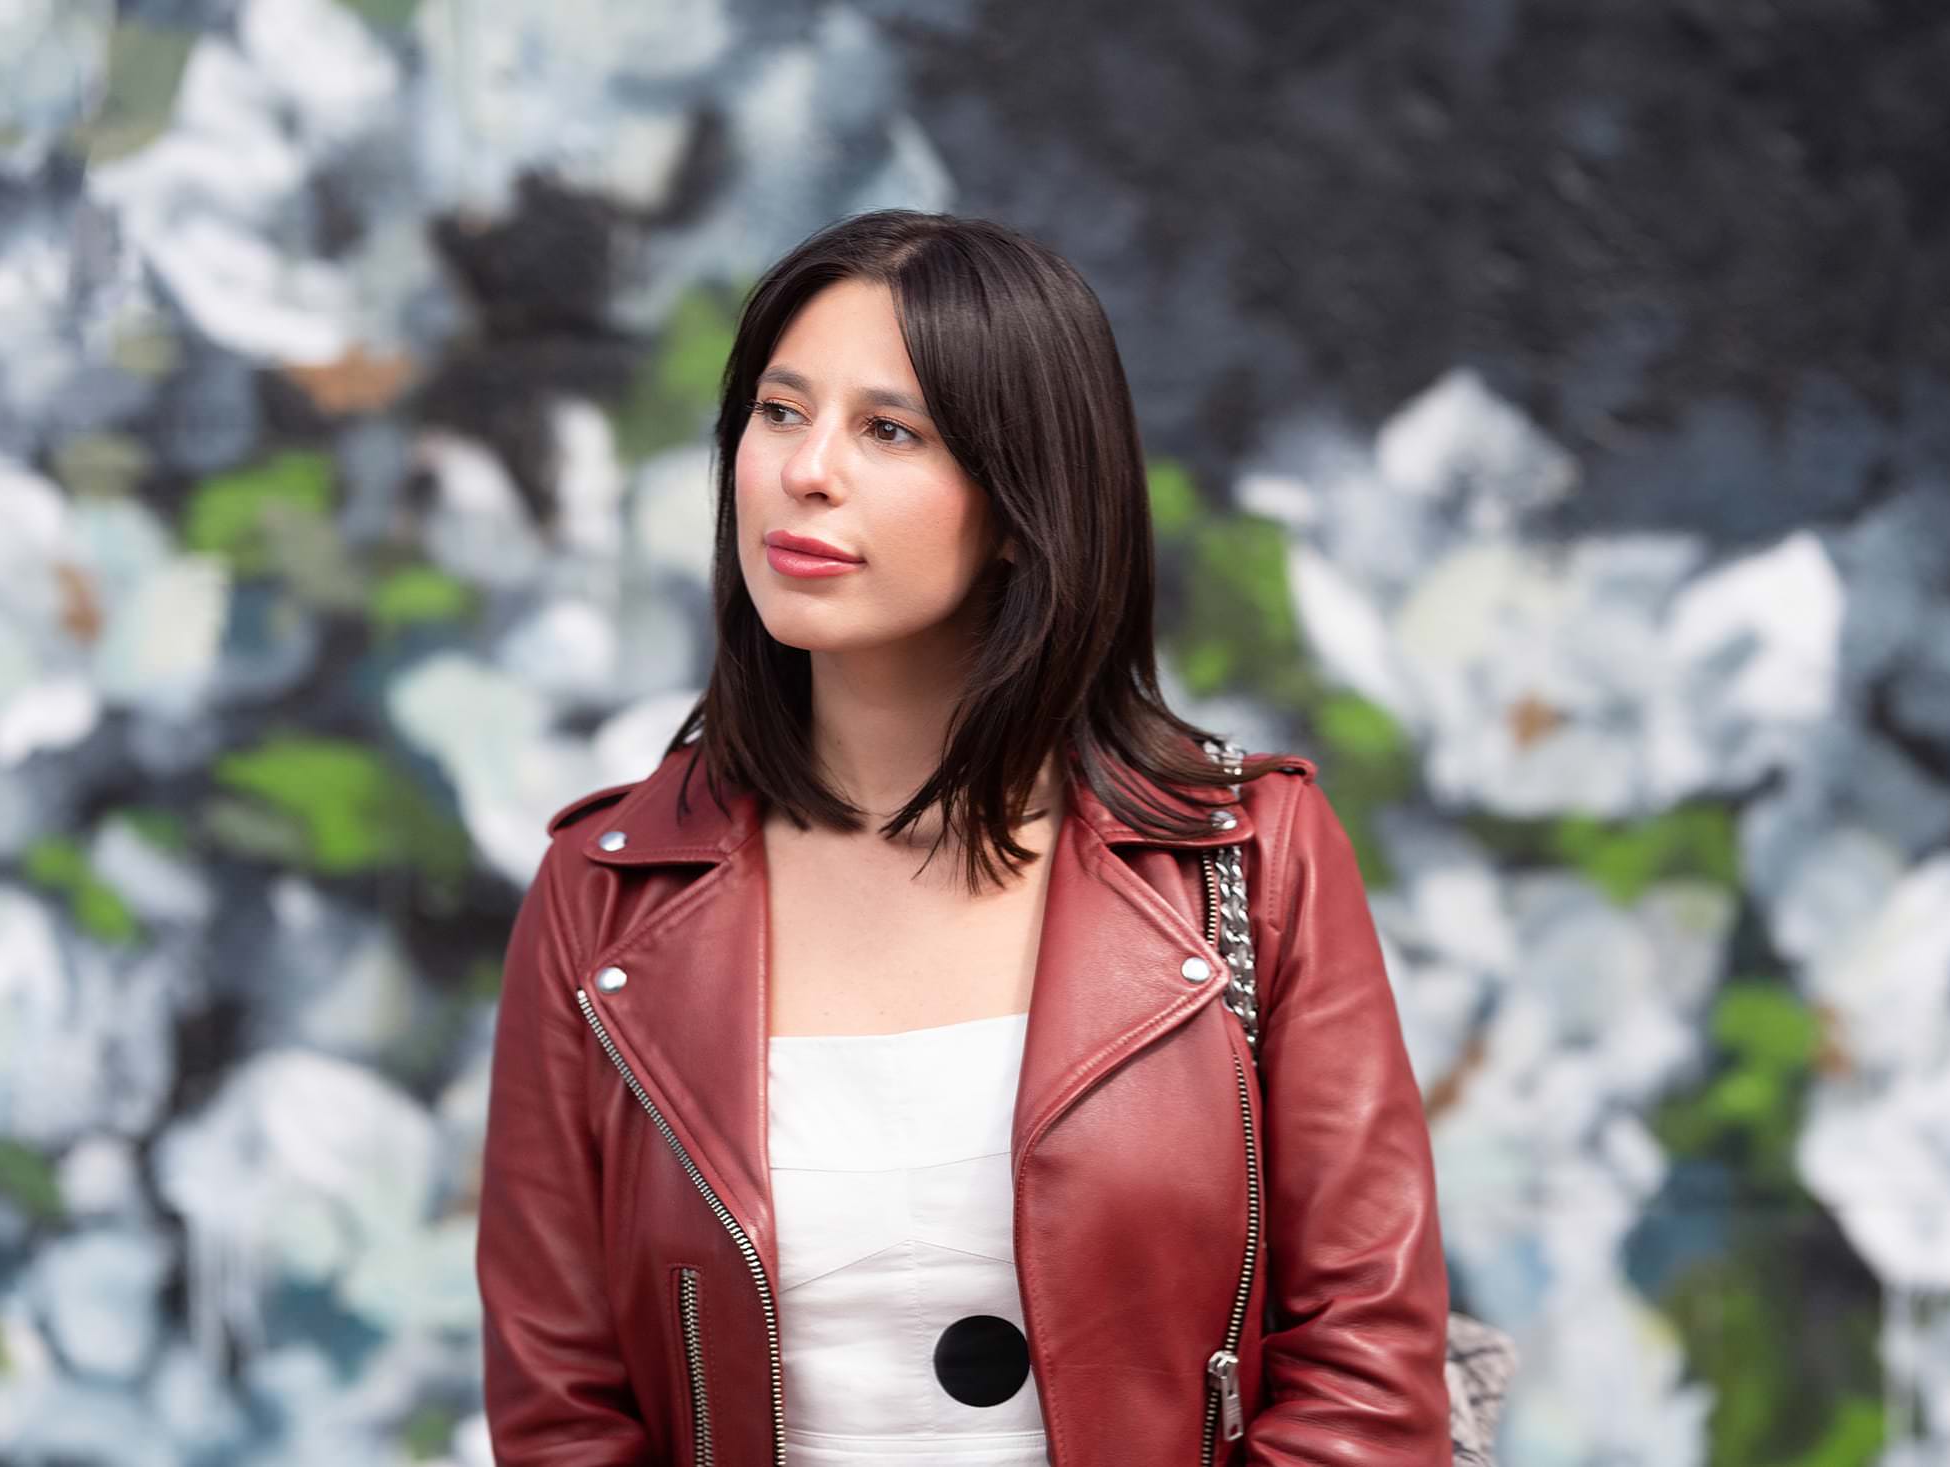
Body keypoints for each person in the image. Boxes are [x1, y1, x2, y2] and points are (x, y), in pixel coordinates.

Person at [475, 208, 1452, 1466]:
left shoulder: (1248, 856)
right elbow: (563, 1409)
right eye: (780, 412)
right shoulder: (603, 897)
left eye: (889, 429)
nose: (806, 470)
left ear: (1020, 500)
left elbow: (1367, 1374)